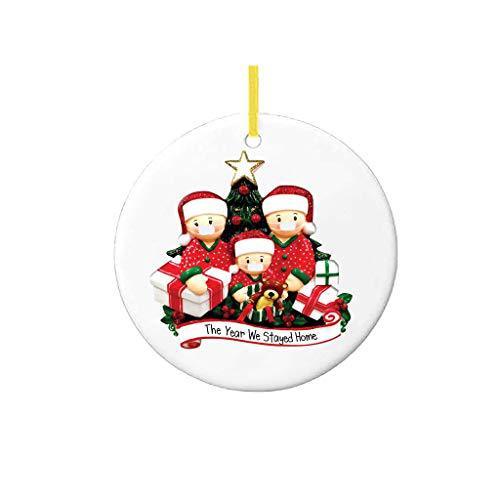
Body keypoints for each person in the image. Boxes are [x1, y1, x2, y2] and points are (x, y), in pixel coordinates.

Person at [261, 185, 316, 292]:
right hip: (269, 287)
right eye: (279, 219)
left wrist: (297, 279)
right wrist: (268, 278)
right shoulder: (266, 242)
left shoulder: (303, 243)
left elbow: (306, 262)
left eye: (295, 217)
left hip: (294, 287)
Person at [177, 191, 232, 295]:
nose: (205, 227)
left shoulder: (225, 247)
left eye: (210, 222)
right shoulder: (193, 247)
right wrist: (192, 277)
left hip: (224, 286)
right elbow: (187, 264)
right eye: (196, 223)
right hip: (204, 290)